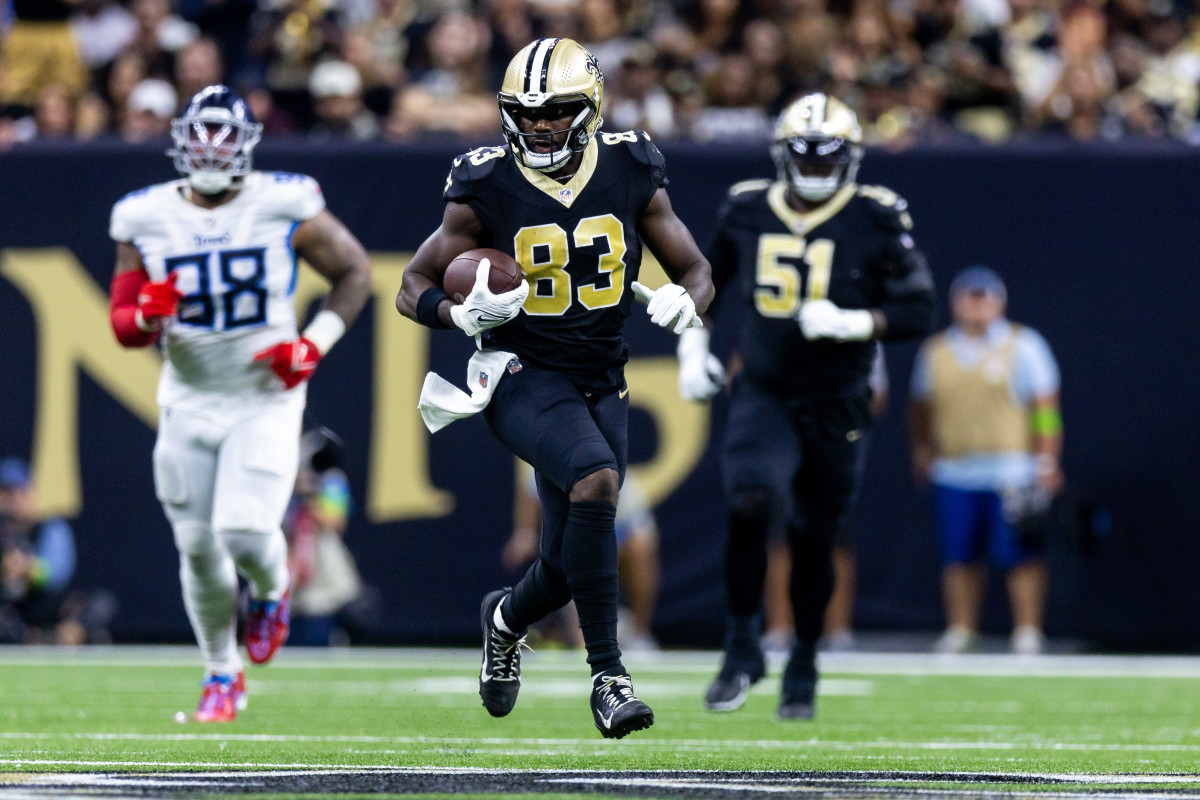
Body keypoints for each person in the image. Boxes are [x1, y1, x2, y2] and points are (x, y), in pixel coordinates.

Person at [396, 37, 713, 739]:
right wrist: (456, 314)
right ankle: (609, 676)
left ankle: (506, 619)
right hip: (518, 373)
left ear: (590, 107)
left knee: (567, 562)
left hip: (603, 376)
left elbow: (696, 267)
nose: (539, 124)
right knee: (597, 480)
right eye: (527, 112)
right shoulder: (485, 181)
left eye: (557, 110)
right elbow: (410, 285)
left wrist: (686, 301)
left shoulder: (630, 165)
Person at [107, 85, 372, 722]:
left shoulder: (283, 202)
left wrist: (312, 345)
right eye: (202, 134)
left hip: (265, 395)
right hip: (189, 397)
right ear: (181, 140)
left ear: (248, 145)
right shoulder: (143, 215)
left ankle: (274, 590)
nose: (212, 148)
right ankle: (220, 674)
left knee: (244, 529)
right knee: (197, 546)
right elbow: (122, 324)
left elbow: (356, 273)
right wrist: (145, 312)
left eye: (226, 136)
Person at [678, 93, 935, 719]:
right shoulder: (745, 207)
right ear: (780, 154)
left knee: (815, 537)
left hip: (838, 399)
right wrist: (693, 350)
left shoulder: (875, 216)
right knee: (750, 501)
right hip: (764, 388)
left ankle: (805, 659)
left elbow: (917, 308)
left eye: (828, 154)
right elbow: (702, 285)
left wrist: (852, 322)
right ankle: (742, 646)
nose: (816, 164)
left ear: (850, 158)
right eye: (804, 152)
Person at [908, 265, 1063, 656]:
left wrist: (1046, 459)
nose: (976, 307)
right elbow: (920, 407)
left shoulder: (1024, 345)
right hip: (956, 469)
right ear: (956, 302)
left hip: (1012, 469)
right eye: (969, 298)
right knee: (959, 554)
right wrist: (923, 447)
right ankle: (961, 628)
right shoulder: (937, 351)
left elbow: (1045, 409)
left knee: (1021, 554)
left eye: (984, 298)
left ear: (999, 302)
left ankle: (1027, 629)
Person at [504, 462, 660, 651]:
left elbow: (641, 535)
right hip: (567, 549)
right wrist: (524, 534)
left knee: (640, 547)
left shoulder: (623, 484)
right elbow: (529, 506)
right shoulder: (548, 470)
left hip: (610, 549)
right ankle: (571, 632)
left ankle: (637, 634)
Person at [285, 427, 363, 647]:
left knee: (319, 628)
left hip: (322, 560)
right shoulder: (286, 482)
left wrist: (311, 498)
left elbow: (336, 521)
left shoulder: (331, 480)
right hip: (292, 556)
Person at [0, 458, 84, 645]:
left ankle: (49, 635)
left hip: (40, 605)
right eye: (5, 492)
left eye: (17, 492)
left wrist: (27, 569)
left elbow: (57, 574)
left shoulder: (50, 528)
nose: (11, 500)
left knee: (95, 607)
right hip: (7, 608)